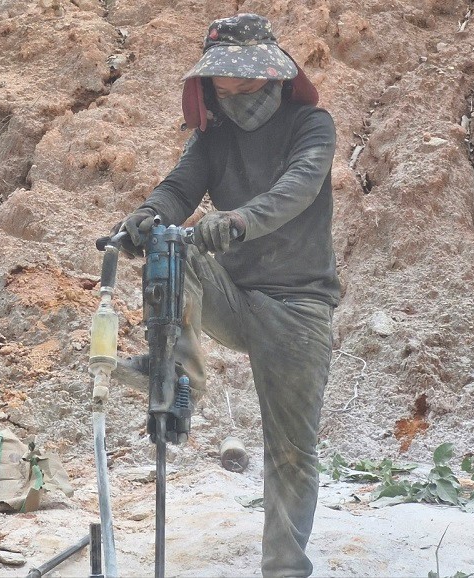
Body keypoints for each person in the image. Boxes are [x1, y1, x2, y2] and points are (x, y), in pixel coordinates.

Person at [111, 13, 340, 578]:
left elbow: (298, 187)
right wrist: (145, 217)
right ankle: (176, 373)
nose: (237, 95)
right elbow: (178, 189)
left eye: (249, 84)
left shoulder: (311, 125)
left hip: (297, 305)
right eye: (226, 85)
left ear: (275, 78)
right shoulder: (211, 138)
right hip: (234, 296)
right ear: (210, 85)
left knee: (290, 452)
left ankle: (285, 569)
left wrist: (238, 220)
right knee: (170, 246)